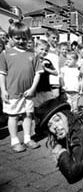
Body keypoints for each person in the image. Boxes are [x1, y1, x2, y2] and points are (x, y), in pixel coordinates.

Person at [0, 22, 43, 152]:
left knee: (28, 115)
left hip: (28, 93)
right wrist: (3, 90)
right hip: (12, 92)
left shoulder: (33, 54)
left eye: (24, 38)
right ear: (11, 37)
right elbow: (2, 74)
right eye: (17, 38)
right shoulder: (5, 54)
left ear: (29, 37)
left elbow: (38, 74)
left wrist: (32, 89)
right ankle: (14, 141)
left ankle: (28, 138)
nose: (21, 41)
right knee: (13, 116)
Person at [32, 39, 57, 108]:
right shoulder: (32, 60)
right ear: (35, 48)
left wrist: (45, 68)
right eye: (41, 49)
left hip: (46, 89)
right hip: (35, 90)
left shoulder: (47, 61)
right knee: (36, 108)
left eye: (46, 50)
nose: (44, 52)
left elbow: (55, 73)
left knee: (49, 107)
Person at [45, 29, 61, 98]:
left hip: (55, 79)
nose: (55, 40)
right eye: (53, 38)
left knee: (55, 98)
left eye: (57, 38)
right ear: (47, 37)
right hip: (45, 78)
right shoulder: (44, 49)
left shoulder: (58, 50)